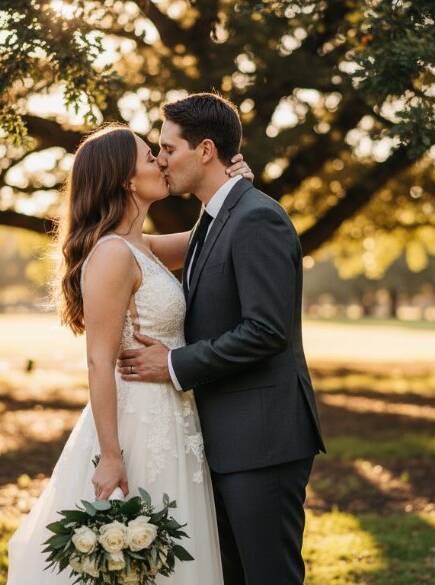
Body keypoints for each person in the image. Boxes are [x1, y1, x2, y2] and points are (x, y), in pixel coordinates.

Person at [6, 122, 253, 584]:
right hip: (135, 421)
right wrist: (111, 455)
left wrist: (232, 187)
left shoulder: (143, 247)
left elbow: (207, 237)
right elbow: (98, 361)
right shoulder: (113, 254)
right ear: (124, 179)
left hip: (173, 415)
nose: (161, 161)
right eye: (148, 157)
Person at [116, 93, 326, 585]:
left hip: (264, 439)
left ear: (205, 150)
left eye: (168, 148)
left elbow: (266, 330)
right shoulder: (214, 219)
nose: (161, 159)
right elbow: (130, 248)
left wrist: (173, 364)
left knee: (268, 576)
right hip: (225, 438)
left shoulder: (257, 218)